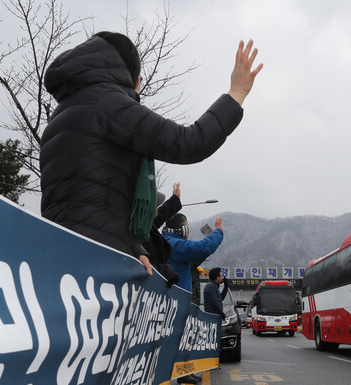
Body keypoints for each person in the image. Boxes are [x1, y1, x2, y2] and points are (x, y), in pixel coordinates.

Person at [40, 33, 262, 276]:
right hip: (98, 261)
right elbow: (189, 142)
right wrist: (237, 92)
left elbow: (92, 200)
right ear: (125, 70)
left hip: (59, 251)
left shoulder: (60, 116)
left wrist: (136, 249)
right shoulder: (107, 103)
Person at [163, 216, 225, 294]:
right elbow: (203, 248)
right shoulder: (175, 245)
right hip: (176, 297)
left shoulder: (165, 241)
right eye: (188, 227)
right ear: (183, 229)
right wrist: (218, 231)